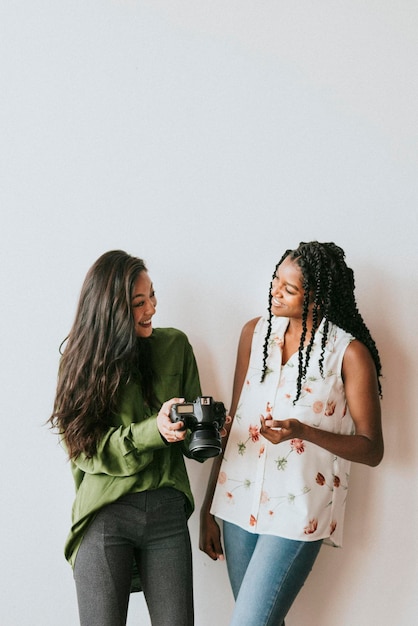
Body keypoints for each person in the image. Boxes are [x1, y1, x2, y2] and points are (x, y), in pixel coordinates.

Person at [200, 241, 383, 626]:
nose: (274, 292)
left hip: (297, 515)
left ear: (316, 297)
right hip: (236, 504)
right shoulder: (254, 334)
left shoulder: (348, 355)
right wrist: (208, 508)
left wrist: (303, 431)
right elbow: (234, 424)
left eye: (289, 288)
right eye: (275, 281)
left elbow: (372, 449)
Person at [49, 250, 202, 626]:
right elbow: (85, 448)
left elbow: (191, 442)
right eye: (139, 302)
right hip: (104, 512)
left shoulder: (175, 346)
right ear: (111, 309)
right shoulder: (79, 360)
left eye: (152, 296)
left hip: (166, 510)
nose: (152, 307)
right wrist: (155, 429)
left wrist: (206, 429)